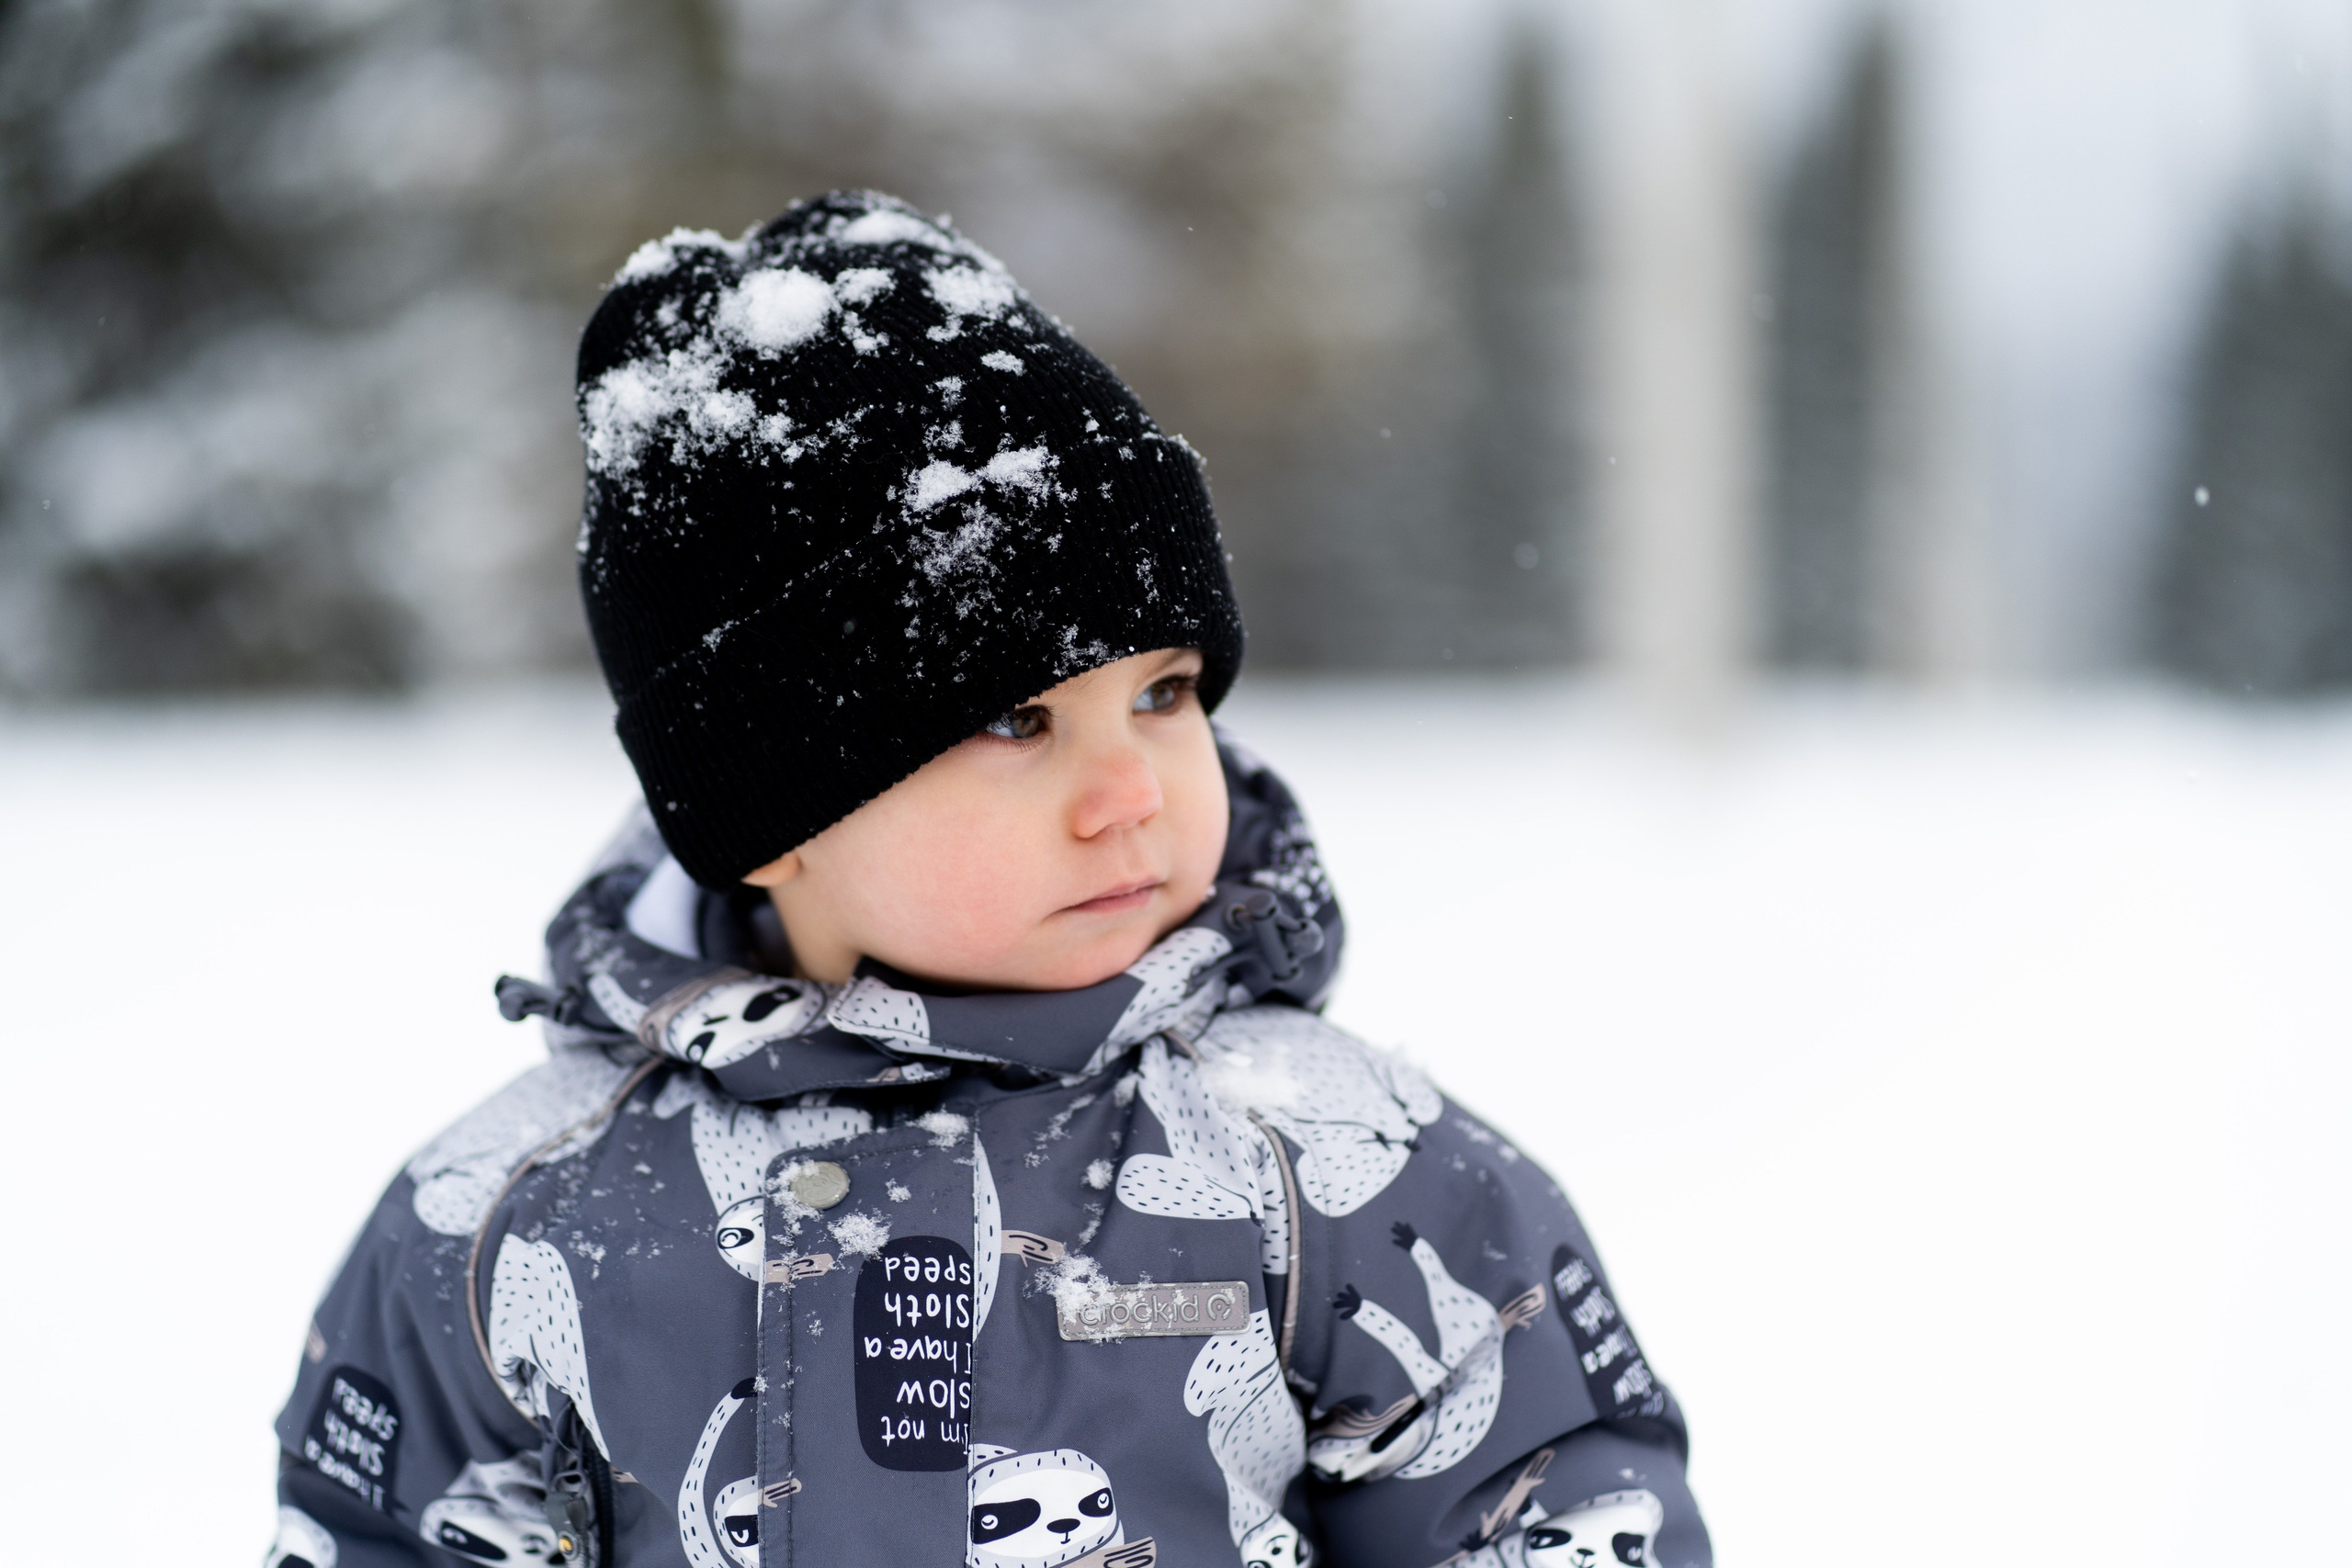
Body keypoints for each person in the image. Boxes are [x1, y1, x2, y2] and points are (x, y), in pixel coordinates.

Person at [266, 189, 1711, 1568]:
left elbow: (1547, 1509)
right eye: (1018, 721)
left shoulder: (1344, 1173)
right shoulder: (509, 1215)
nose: (1131, 791)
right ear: (771, 814)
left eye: (1163, 694)